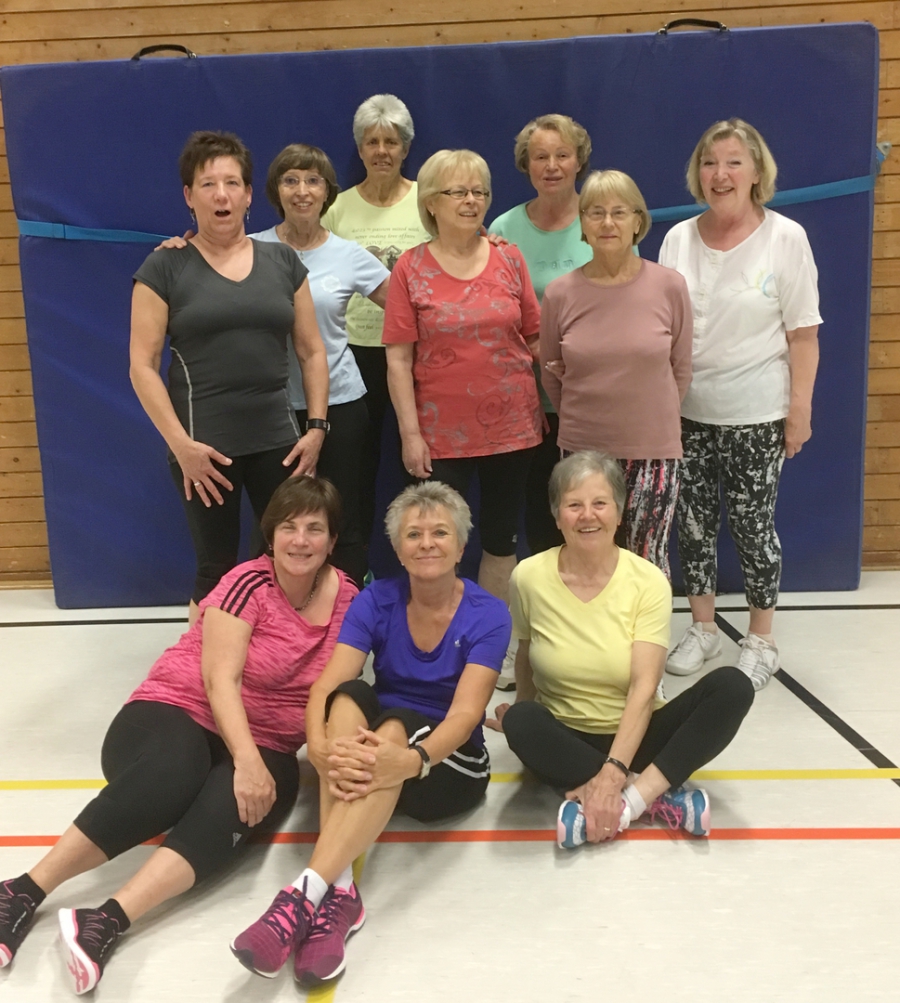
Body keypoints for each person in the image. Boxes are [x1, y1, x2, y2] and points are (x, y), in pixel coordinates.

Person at [0, 477, 357, 994]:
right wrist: (246, 761)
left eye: (314, 529)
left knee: (241, 807)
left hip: (270, 741)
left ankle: (104, 922)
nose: (300, 540)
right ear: (271, 534)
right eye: (288, 527)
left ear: (332, 539)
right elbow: (219, 680)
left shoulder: (350, 602)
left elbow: (338, 689)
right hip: (176, 711)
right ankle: (22, 891)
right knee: (178, 770)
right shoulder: (246, 583)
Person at [230, 481, 510, 985]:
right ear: (398, 550)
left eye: (440, 533)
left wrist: (413, 760)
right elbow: (327, 685)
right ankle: (339, 897)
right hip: (381, 750)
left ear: (461, 547)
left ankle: (300, 897)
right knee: (348, 698)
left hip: (449, 764)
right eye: (413, 534)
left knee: (394, 727)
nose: (426, 543)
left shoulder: (488, 613)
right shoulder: (377, 598)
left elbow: (467, 715)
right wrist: (319, 746)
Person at [489, 451, 754, 848]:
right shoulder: (527, 577)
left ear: (618, 512)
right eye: (574, 505)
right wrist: (520, 711)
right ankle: (654, 793)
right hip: (566, 735)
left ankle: (625, 802)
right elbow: (526, 654)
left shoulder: (648, 581)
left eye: (600, 503)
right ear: (556, 515)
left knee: (733, 686)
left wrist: (614, 771)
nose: (587, 516)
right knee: (521, 721)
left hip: (638, 732)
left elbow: (645, 687)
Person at [130, 131, 329, 621]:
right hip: (204, 450)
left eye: (232, 183)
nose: (221, 194)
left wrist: (316, 429)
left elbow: (311, 350)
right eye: (208, 184)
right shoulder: (164, 266)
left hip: (279, 444)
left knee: (288, 561)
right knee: (215, 569)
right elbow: (142, 365)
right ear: (189, 196)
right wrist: (182, 446)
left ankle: (279, 655)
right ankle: (202, 663)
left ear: (247, 194)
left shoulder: (283, 261)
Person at [658, 118, 822, 689]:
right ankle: (703, 627)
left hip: (756, 412)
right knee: (693, 526)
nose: (720, 174)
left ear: (756, 172)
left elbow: (804, 335)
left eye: (733, 162)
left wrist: (799, 410)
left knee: (753, 528)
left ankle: (760, 639)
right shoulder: (678, 239)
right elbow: (663, 327)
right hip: (686, 411)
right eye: (709, 163)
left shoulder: (785, 238)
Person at [382, 148, 542, 686]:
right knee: (435, 541)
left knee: (501, 539)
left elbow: (535, 338)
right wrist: (410, 434)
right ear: (431, 202)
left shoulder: (510, 258)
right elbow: (398, 359)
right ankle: (436, 643)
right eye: (458, 192)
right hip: (439, 434)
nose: (471, 201)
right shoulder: (410, 268)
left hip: (514, 428)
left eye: (479, 191)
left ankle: (490, 648)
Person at [540, 170, 692, 578]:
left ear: (638, 221)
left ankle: (647, 626)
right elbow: (551, 372)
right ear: (583, 224)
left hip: (653, 451)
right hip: (583, 449)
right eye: (596, 212)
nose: (607, 223)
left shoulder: (670, 286)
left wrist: (649, 417)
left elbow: (680, 368)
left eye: (619, 212)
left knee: (647, 561)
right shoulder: (559, 293)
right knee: (588, 555)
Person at [253, 143, 390, 587]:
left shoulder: (349, 254)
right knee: (277, 520)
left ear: (327, 192)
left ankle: (346, 614)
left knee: (343, 518)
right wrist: (179, 247)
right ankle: (279, 614)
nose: (302, 191)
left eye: (313, 181)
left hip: (341, 406)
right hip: (271, 409)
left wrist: (467, 251)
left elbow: (410, 308)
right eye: (291, 180)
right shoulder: (250, 248)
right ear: (276, 190)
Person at [322, 95, 431, 548]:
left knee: (420, 467)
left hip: (417, 354)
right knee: (351, 471)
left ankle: (422, 558)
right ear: (360, 149)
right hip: (352, 356)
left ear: (406, 148)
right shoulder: (337, 209)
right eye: (372, 142)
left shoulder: (429, 201)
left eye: (391, 141)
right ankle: (352, 567)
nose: (382, 151)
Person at [489, 114, 594, 557]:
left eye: (562, 155)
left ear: (579, 161)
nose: (551, 166)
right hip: (528, 403)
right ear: (526, 165)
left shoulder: (602, 219)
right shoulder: (503, 230)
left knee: (593, 506)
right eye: (540, 157)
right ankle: (549, 596)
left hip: (593, 397)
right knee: (540, 510)